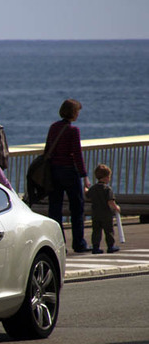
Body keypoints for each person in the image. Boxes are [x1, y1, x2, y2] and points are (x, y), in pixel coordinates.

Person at [46, 99, 92, 253]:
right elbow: (77, 155)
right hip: (69, 172)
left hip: (54, 171)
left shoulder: (53, 127)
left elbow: (47, 151)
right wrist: (84, 175)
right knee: (77, 208)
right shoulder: (73, 131)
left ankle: (59, 245)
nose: (78, 114)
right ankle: (79, 244)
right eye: (77, 111)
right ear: (73, 113)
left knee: (55, 209)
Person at [86, 164, 121, 254]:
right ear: (106, 177)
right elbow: (110, 202)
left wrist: (85, 188)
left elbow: (87, 195)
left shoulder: (93, 188)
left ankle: (96, 247)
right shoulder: (107, 189)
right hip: (106, 214)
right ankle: (110, 246)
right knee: (109, 231)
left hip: (95, 214)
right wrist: (116, 207)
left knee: (96, 231)